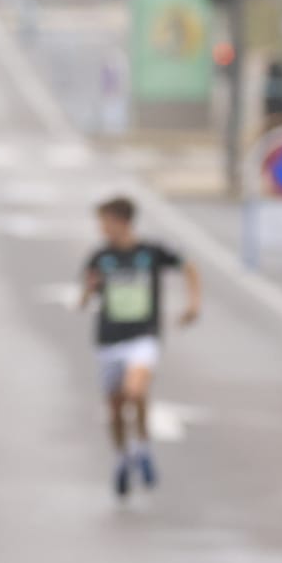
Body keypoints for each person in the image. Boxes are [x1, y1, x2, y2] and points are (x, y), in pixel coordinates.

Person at [79, 196, 202, 499]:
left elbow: (188, 266)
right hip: (109, 340)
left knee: (135, 391)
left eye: (105, 222)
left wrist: (193, 304)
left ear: (121, 222)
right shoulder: (100, 257)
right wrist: (89, 290)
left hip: (143, 336)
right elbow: (84, 300)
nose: (102, 228)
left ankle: (142, 447)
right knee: (116, 407)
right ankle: (122, 457)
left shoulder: (151, 252)